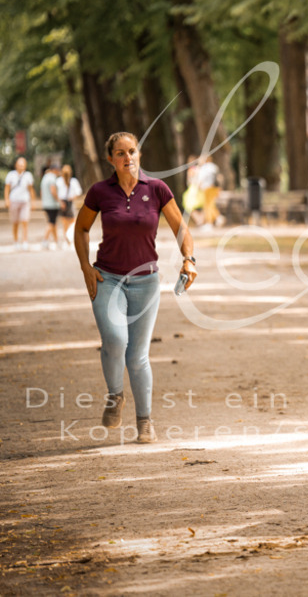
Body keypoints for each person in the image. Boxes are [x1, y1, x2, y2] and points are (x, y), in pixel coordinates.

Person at [75, 132, 197, 443]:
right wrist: (86, 267)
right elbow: (82, 228)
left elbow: (180, 228)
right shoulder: (100, 192)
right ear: (110, 159)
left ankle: (145, 422)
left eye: (132, 151)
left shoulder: (156, 189)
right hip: (108, 279)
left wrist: (189, 259)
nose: (127, 157)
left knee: (138, 355)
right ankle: (115, 396)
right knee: (115, 341)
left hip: (146, 283)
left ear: (139, 154)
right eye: (120, 153)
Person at [5, 156, 36, 251]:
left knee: (25, 221)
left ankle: (25, 241)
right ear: (16, 165)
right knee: (15, 222)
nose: (21, 166)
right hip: (14, 200)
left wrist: (33, 201)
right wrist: (7, 200)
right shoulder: (11, 175)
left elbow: (31, 189)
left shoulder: (28, 175)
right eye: (19, 164)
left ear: (25, 166)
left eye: (22, 165)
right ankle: (15, 241)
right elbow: (7, 188)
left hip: (25, 201)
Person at [56, 164, 83, 248]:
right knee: (68, 222)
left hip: (67, 202)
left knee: (69, 222)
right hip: (64, 201)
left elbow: (78, 192)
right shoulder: (60, 181)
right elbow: (79, 192)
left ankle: (68, 237)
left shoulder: (70, 181)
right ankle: (68, 239)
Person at [40, 164, 61, 250]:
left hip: (46, 203)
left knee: (53, 223)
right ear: (55, 170)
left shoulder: (44, 178)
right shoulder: (52, 178)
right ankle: (45, 241)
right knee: (51, 223)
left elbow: (41, 192)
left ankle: (56, 241)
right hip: (52, 204)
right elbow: (53, 191)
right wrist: (59, 201)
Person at [196, 155, 221, 228]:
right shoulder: (214, 167)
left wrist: (198, 187)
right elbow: (219, 177)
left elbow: (201, 179)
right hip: (215, 188)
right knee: (211, 204)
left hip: (207, 188)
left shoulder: (204, 167)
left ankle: (209, 223)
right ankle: (218, 218)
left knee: (207, 205)